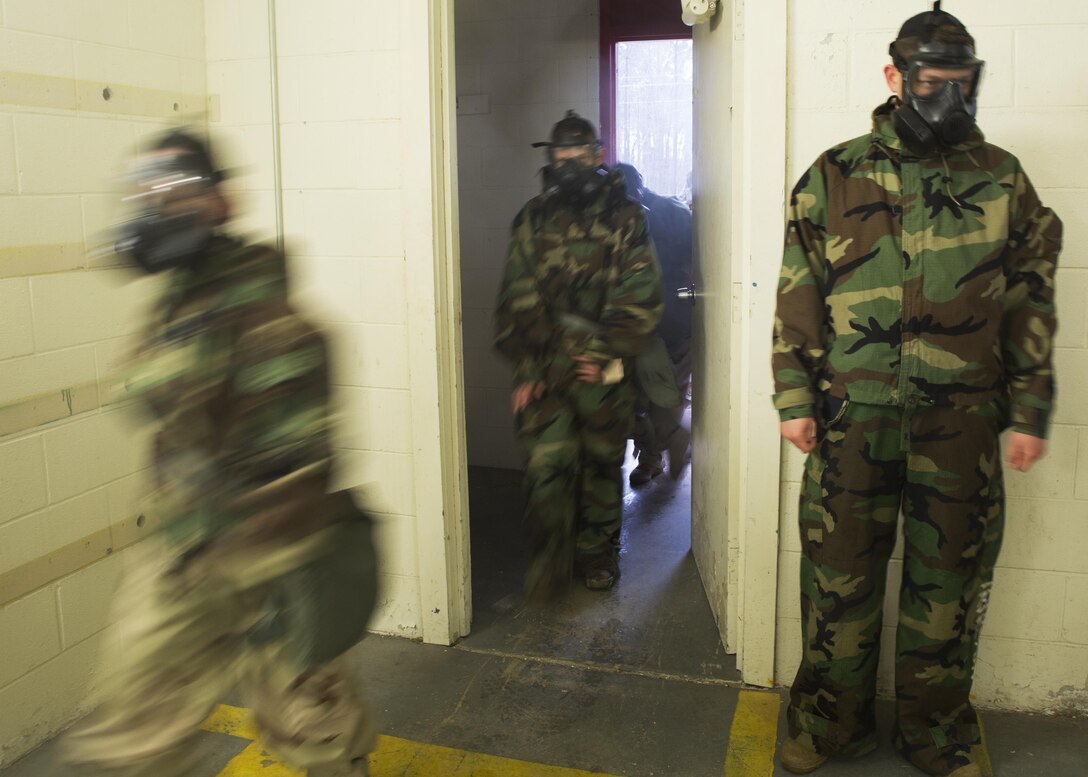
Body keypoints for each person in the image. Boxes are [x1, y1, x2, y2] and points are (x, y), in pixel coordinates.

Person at [772, 6, 1061, 777]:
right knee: (839, 579)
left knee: (949, 585)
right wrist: (793, 397)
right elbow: (797, 291)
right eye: (935, 82)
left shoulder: (1001, 178)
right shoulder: (834, 174)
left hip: (963, 422)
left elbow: (1032, 296)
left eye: (963, 83)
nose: (950, 99)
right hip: (851, 421)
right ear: (895, 77)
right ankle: (831, 724)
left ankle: (937, 733)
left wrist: (1030, 407)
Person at [66, 129, 378, 777]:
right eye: (145, 193)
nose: (155, 207)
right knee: (130, 727)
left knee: (315, 729)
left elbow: (280, 445)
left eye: (173, 191)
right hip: (184, 547)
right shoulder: (183, 298)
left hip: (274, 557)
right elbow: (147, 394)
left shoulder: (264, 308)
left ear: (221, 201)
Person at [494, 111, 664, 597]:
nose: (568, 164)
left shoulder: (627, 218)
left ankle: (597, 555)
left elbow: (641, 295)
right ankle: (551, 559)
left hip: (603, 372)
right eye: (559, 156)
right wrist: (529, 364)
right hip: (545, 371)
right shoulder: (533, 218)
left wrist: (601, 348)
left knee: (600, 469)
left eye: (578, 155)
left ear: (598, 156)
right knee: (546, 467)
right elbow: (516, 296)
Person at [614, 162, 694, 485]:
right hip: (634, 329)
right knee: (632, 398)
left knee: (667, 396)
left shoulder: (671, 213)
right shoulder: (615, 218)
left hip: (672, 325)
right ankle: (657, 449)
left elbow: (700, 264)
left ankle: (656, 455)